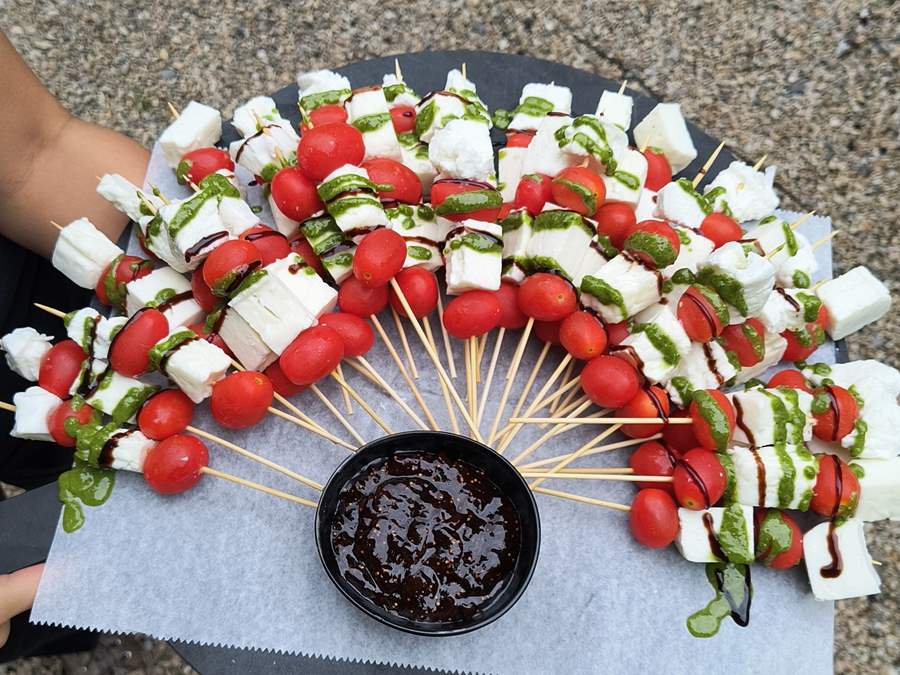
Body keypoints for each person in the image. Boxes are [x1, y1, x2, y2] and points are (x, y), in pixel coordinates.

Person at [0, 30, 149, 660]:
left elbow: (34, 154)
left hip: (44, 300)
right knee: (33, 586)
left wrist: (207, 250)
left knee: (78, 453)